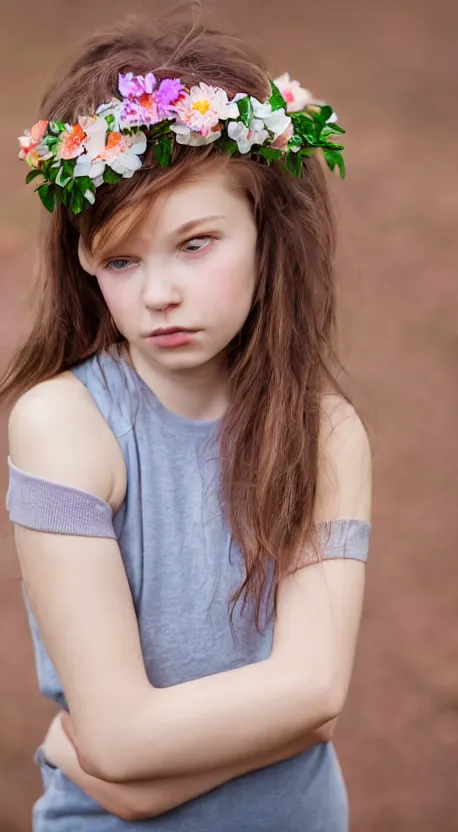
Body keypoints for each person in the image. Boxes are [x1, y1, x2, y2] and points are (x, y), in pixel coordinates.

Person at [2, 9, 372, 831]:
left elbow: (317, 693)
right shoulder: (65, 424)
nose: (157, 294)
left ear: (265, 233)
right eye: (122, 259)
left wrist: (127, 767)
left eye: (196, 243)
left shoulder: (325, 431)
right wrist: (114, 750)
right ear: (86, 262)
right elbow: (125, 736)